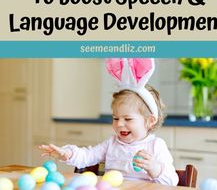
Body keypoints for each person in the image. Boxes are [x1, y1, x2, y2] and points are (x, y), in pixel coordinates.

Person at [38, 58, 178, 186]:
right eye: (115, 118)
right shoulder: (111, 143)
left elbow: (172, 182)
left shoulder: (156, 146)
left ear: (150, 121)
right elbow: (87, 156)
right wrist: (66, 153)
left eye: (127, 119)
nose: (119, 124)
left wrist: (155, 168)